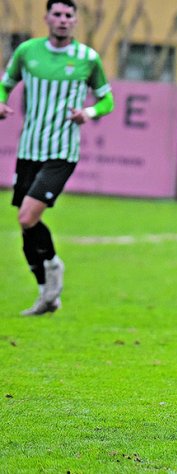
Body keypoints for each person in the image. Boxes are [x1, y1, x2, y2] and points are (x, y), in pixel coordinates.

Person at [0, 0, 114, 316]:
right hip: (28, 150)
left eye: (68, 15)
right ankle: (46, 294)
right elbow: (5, 84)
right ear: (47, 18)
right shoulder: (27, 52)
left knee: (27, 217)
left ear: (75, 21)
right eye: (58, 15)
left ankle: (53, 268)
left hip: (61, 152)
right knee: (27, 226)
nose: (63, 20)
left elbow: (107, 100)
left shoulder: (87, 58)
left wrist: (87, 112)